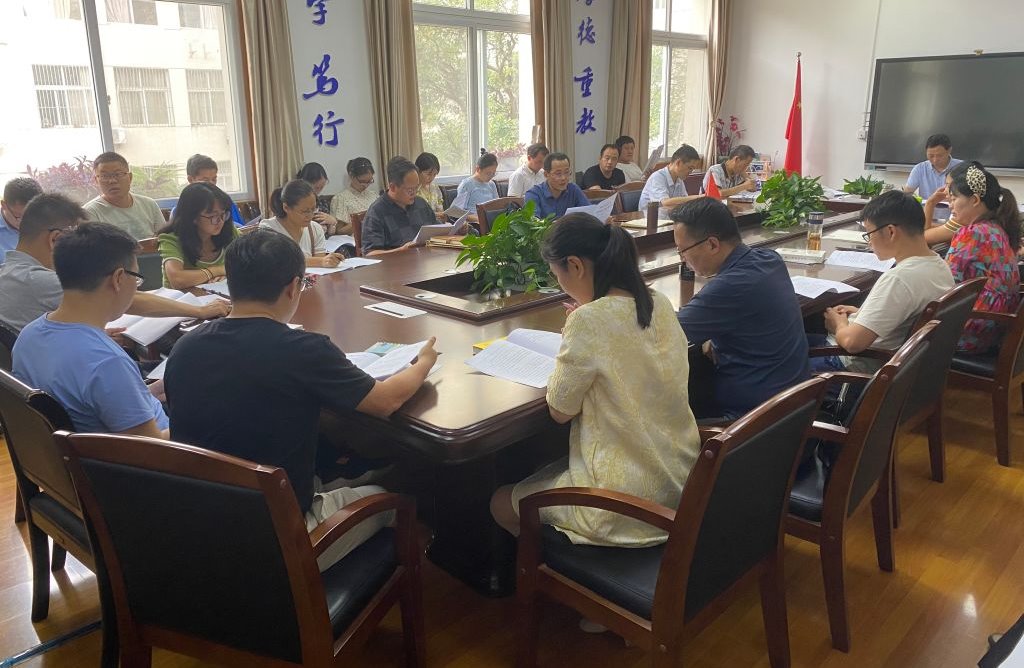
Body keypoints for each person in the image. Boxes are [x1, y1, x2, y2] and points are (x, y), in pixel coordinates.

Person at [164, 229, 439, 569]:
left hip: (198, 525)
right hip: (279, 543)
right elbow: (386, 401)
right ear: (294, 286)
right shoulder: (302, 349)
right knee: (393, 493)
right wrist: (423, 362)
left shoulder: (186, 347)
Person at [490, 213, 700, 546]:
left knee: (500, 502)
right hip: (682, 486)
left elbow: (560, 411)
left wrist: (577, 334)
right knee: (548, 468)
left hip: (619, 507)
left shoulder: (587, 320)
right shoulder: (657, 302)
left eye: (557, 274)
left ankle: (553, 568)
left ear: (575, 265)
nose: (560, 283)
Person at [12, 222, 169, 437]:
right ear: (118, 279)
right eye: (136, 278)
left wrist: (146, 392)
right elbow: (152, 448)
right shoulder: (107, 362)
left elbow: (89, 403)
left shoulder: (28, 336)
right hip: (152, 451)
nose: (135, 286)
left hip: (80, 450)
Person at [0, 193, 229, 333]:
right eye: (76, 238)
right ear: (56, 239)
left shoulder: (8, 273)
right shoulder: (39, 281)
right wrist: (199, 310)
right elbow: (128, 300)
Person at [674, 198, 811, 420]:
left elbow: (666, 330)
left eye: (683, 251)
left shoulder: (731, 286)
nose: (682, 259)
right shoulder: (769, 259)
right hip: (793, 403)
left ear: (712, 244)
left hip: (753, 421)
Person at [821, 190, 954, 372]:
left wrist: (838, 323)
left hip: (851, 367)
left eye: (869, 233)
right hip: (905, 369)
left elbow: (852, 343)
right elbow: (906, 314)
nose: (869, 242)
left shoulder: (899, 279)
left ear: (891, 231)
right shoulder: (940, 265)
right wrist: (862, 313)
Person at [943, 162, 1021, 354]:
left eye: (954, 199)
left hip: (973, 329)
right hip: (995, 327)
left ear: (975, 200)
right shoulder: (997, 228)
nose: (950, 206)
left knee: (903, 324)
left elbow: (945, 282)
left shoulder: (972, 233)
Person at [158, 182, 240, 289]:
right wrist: (217, 270)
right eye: (213, 216)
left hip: (218, 295)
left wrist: (227, 274)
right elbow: (177, 280)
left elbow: (250, 264)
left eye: (223, 214)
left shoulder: (229, 231)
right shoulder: (171, 238)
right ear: (193, 217)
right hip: (181, 298)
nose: (220, 221)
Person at [360, 157, 436, 256]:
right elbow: (370, 254)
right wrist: (401, 250)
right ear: (392, 187)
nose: (415, 193)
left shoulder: (421, 203)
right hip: (396, 264)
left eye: (417, 187)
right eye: (410, 190)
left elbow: (437, 229)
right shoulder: (377, 212)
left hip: (426, 260)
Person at [260, 179, 343, 268]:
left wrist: (329, 261)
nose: (310, 215)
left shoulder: (315, 229)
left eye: (313, 209)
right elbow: (280, 261)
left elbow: (320, 266)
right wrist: (321, 261)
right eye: (305, 211)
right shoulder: (268, 229)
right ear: (286, 207)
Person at [83, 152, 165, 241]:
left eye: (118, 174)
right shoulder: (90, 212)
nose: (112, 181)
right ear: (96, 181)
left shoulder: (149, 204)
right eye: (105, 176)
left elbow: (166, 239)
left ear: (130, 177)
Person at [178, 154, 245, 227]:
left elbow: (242, 227)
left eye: (214, 179)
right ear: (191, 179)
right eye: (205, 180)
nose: (211, 184)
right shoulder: (182, 209)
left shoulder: (225, 203)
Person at [638, 144, 704, 213]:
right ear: (678, 163)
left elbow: (685, 202)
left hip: (667, 217)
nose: (690, 172)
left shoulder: (679, 179)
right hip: (648, 218)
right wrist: (699, 197)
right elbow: (665, 203)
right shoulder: (658, 177)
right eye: (690, 168)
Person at [523, 152, 590, 219]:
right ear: (546, 174)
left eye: (566, 172)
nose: (563, 178)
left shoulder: (573, 189)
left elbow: (589, 214)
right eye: (558, 173)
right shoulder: (533, 194)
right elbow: (534, 222)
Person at [904, 133, 963, 200]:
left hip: (953, 206)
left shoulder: (962, 167)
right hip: (927, 206)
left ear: (949, 150)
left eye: (939, 156)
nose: (935, 160)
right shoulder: (919, 169)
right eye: (931, 156)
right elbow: (907, 193)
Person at [329, 157, 377, 235]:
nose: (366, 185)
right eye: (362, 181)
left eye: (369, 181)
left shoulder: (374, 195)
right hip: (356, 239)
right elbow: (339, 231)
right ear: (351, 176)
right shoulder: (340, 198)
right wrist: (364, 219)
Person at [0, 178, 43, 260]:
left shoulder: (48, 224)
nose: (28, 223)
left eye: (34, 216)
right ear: (4, 205)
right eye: (20, 217)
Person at [296, 162, 340, 235]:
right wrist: (316, 228)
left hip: (326, 240)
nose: (318, 191)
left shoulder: (322, 203)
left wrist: (333, 222)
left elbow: (330, 233)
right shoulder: (297, 204)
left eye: (321, 187)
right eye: (316, 187)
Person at [456, 153, 499, 221]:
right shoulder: (466, 184)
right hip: (474, 222)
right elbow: (458, 211)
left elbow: (497, 206)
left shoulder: (492, 184)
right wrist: (479, 219)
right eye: (488, 173)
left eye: (493, 173)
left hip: (489, 220)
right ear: (478, 169)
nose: (491, 176)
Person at [922, 172, 960, 246]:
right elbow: (945, 227)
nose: (945, 190)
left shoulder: (962, 217)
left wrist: (930, 203)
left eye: (948, 185)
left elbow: (924, 238)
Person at [414, 152, 446, 220]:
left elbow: (440, 210)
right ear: (418, 171)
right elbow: (415, 215)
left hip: (437, 223)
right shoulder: (413, 190)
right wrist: (434, 215)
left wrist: (443, 216)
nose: (431, 178)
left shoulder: (435, 188)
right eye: (428, 174)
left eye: (434, 174)